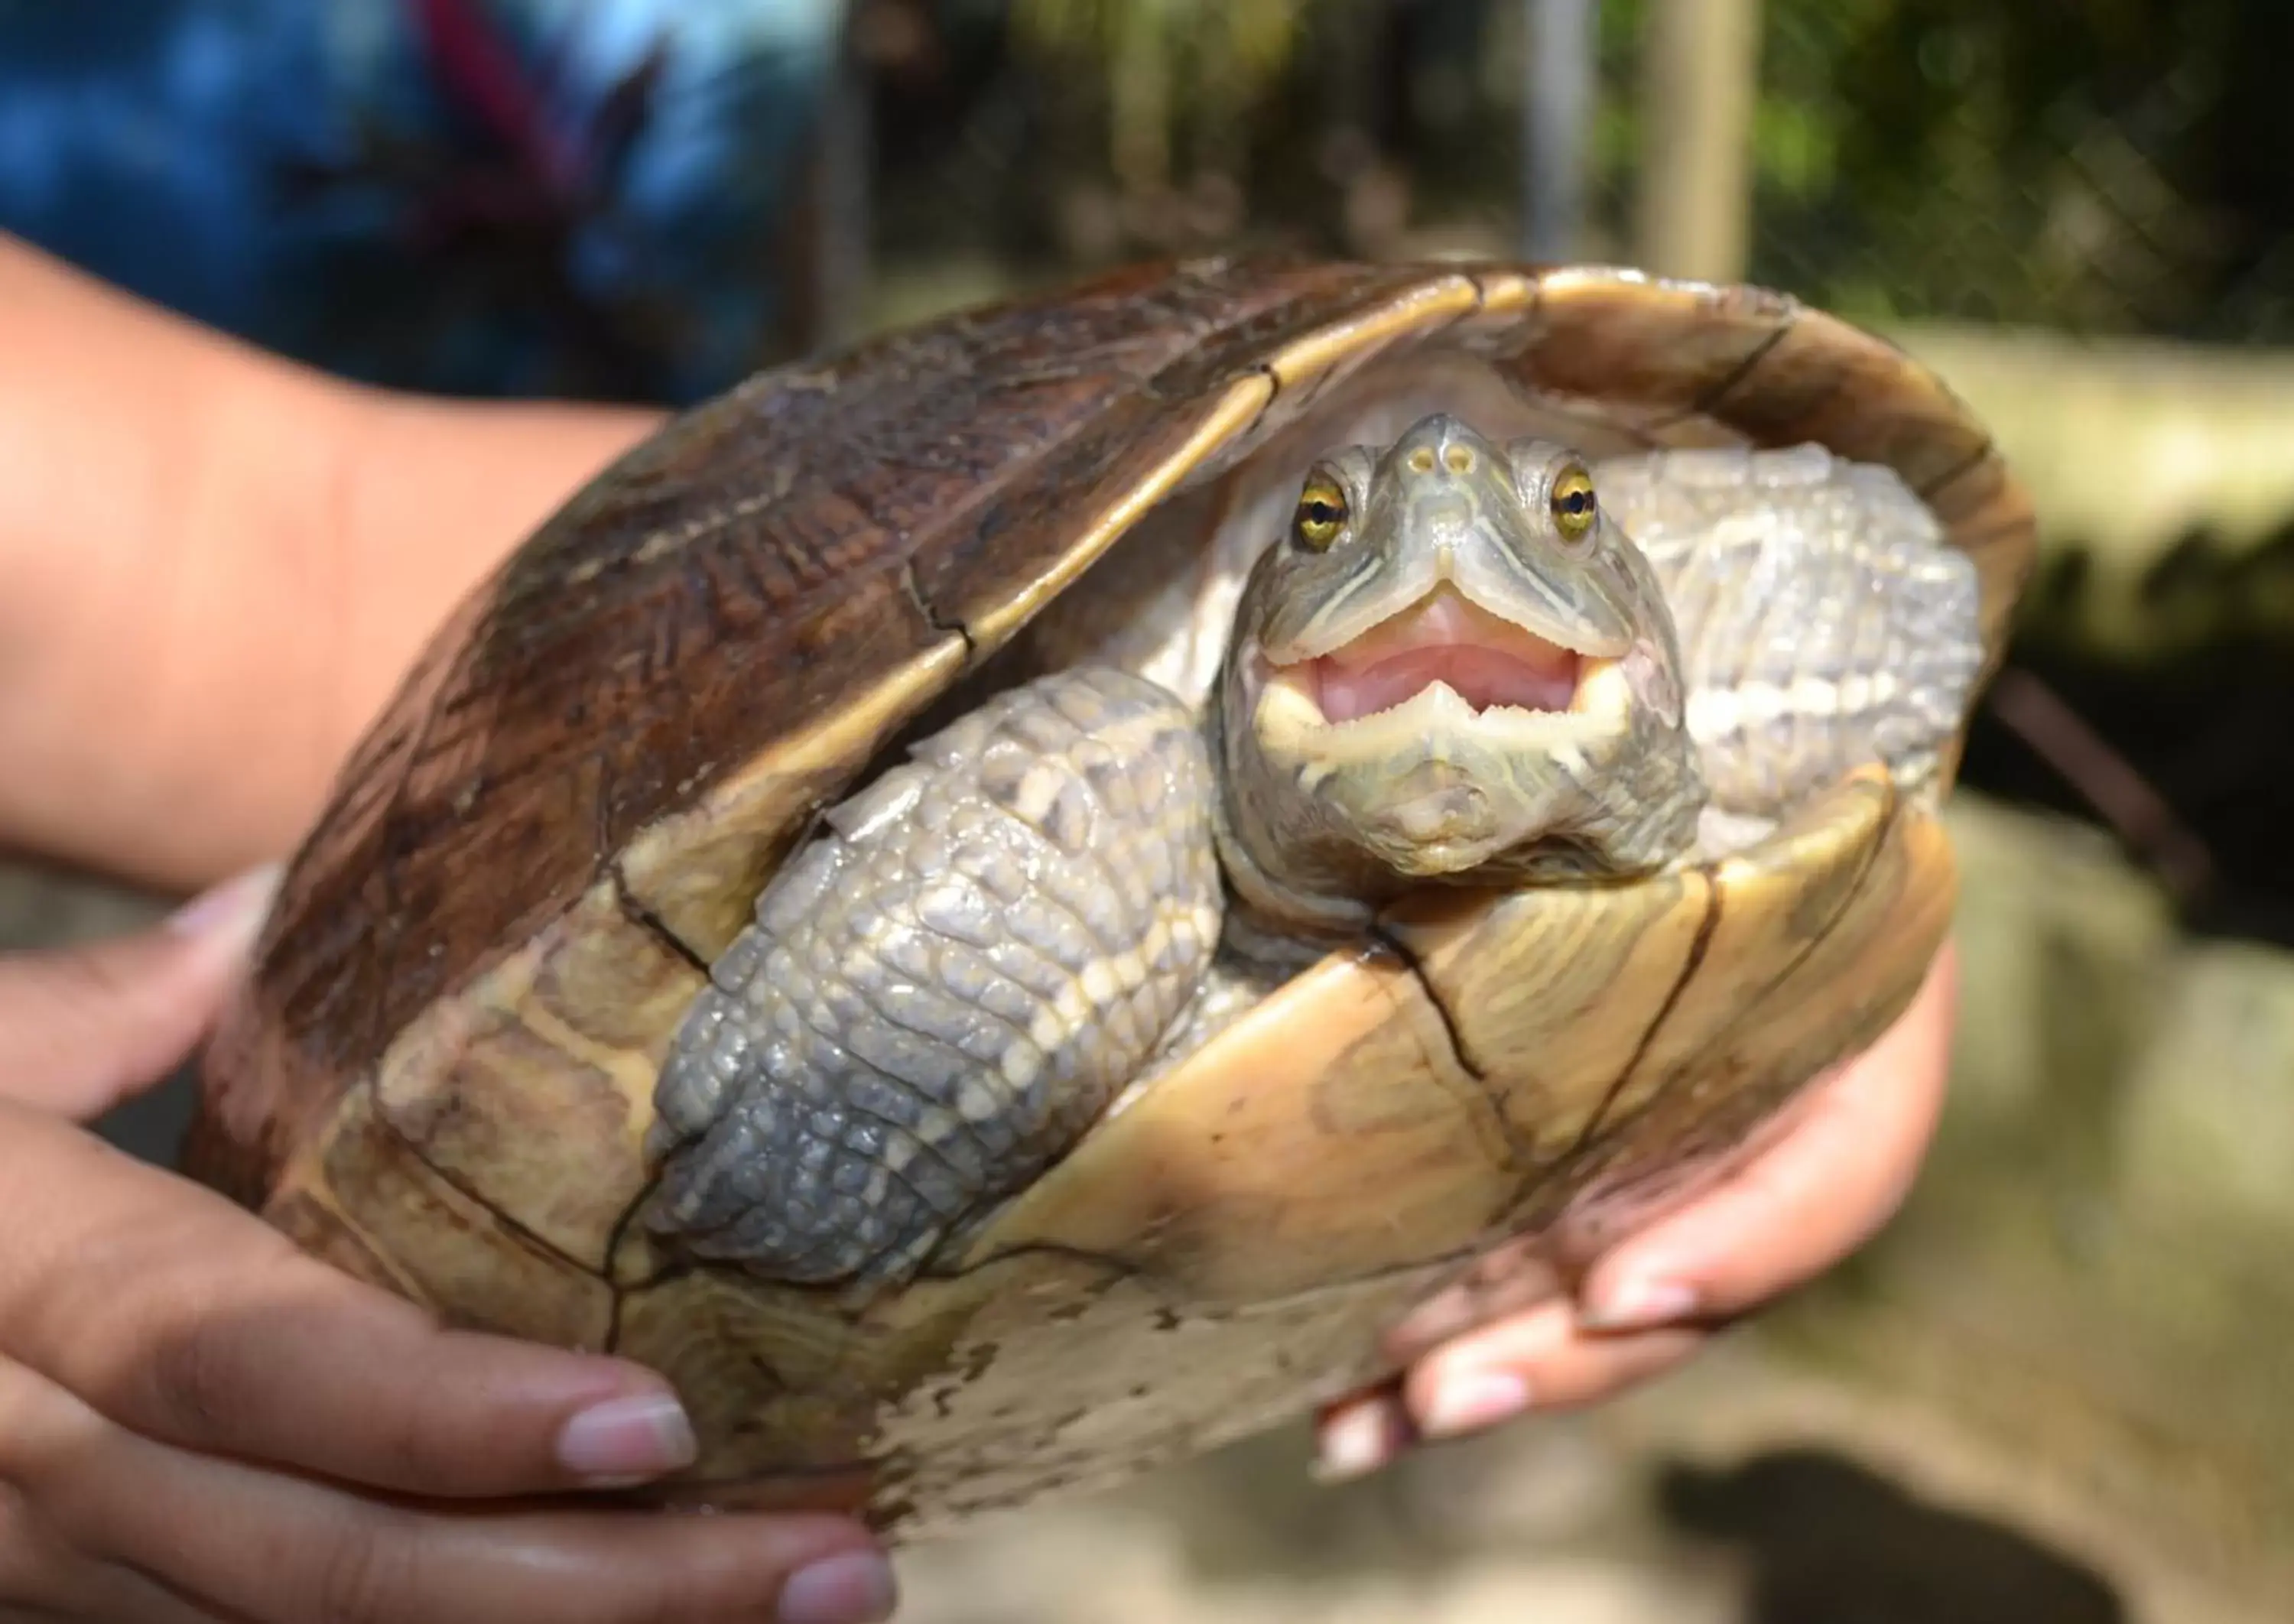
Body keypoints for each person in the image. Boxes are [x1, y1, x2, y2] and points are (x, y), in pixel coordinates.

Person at [0, 232, 1959, 1622]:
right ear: (1257, 622)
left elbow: (271, 536)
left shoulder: (1667, 595)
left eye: (1566, 515)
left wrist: (1816, 923)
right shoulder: (1099, 782)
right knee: (1085, 779)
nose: (1454, 529)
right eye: (1326, 536)